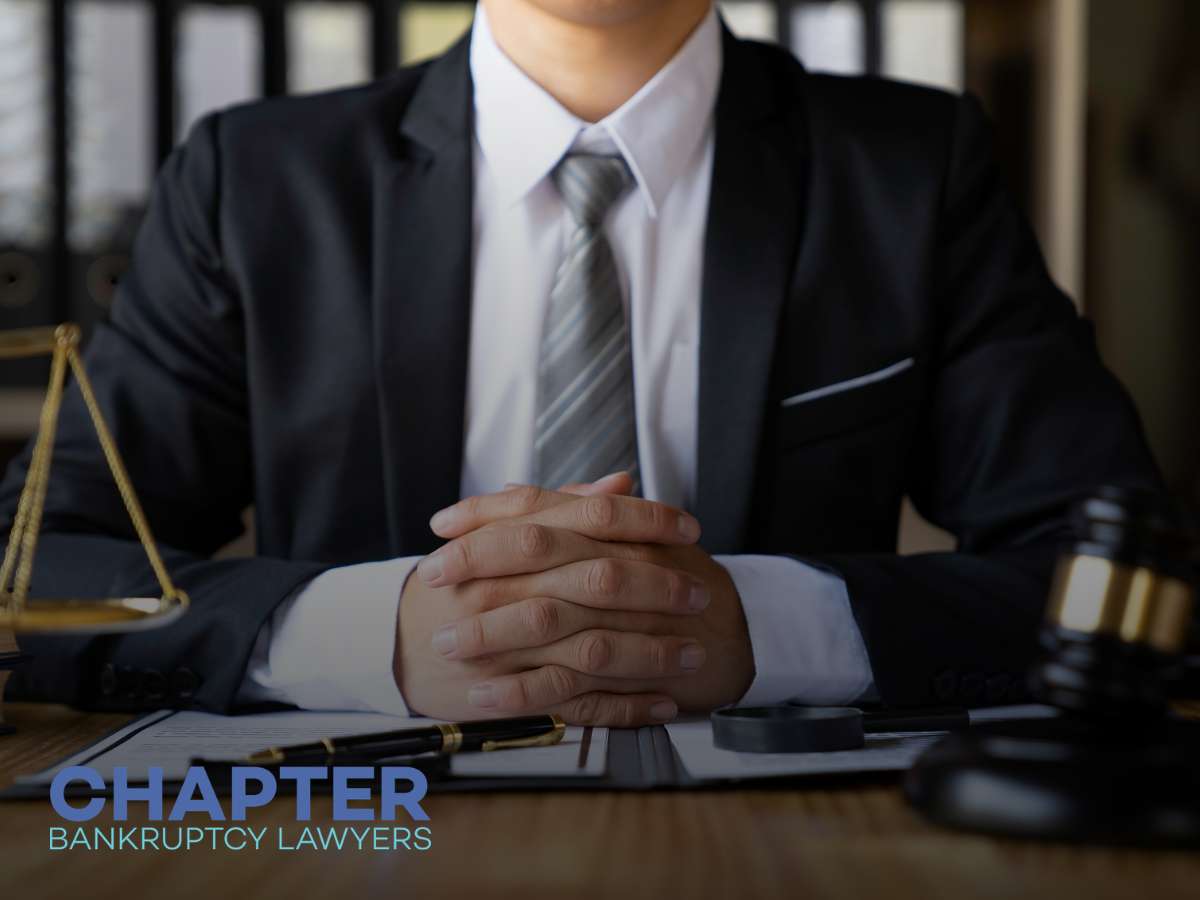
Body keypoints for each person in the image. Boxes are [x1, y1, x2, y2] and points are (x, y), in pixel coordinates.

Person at [2, 0, 1160, 725]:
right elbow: (36, 572)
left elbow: (1130, 582)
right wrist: (377, 634)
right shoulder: (255, 183)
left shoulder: (909, 170)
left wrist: (769, 625)